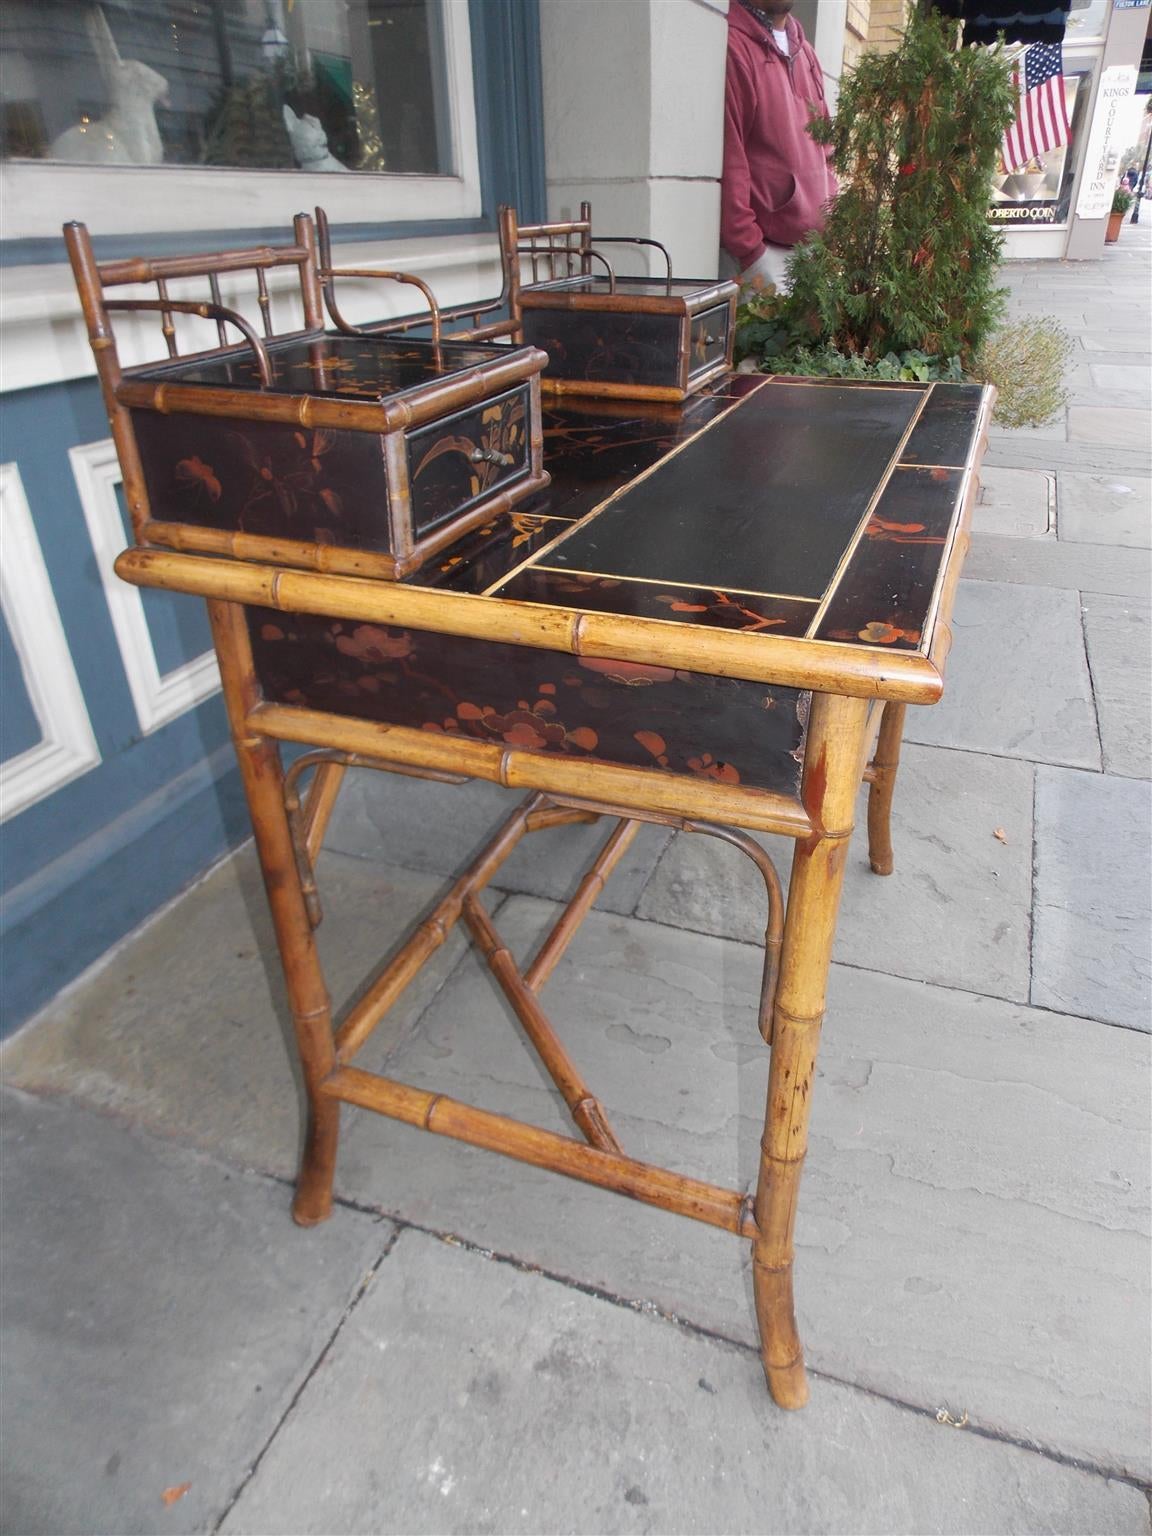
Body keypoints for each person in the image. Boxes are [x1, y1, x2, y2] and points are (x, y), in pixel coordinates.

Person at [720, 0, 837, 294]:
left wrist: (833, 229)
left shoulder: (805, 52)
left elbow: (827, 151)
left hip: (813, 256)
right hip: (762, 259)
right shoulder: (733, 44)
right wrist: (752, 256)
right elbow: (730, 159)